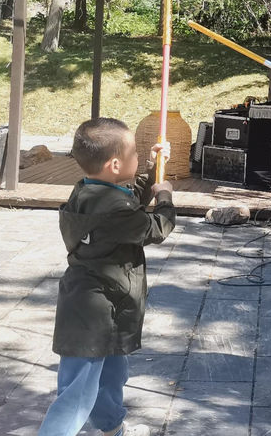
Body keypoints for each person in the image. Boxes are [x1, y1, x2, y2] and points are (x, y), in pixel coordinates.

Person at [38, 117, 176, 436]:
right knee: (76, 393)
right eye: (135, 155)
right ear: (115, 164)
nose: (139, 158)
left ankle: (112, 426)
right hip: (93, 314)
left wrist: (154, 167)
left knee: (111, 375)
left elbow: (127, 200)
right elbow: (156, 228)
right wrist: (165, 195)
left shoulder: (88, 191)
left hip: (108, 306)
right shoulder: (114, 209)